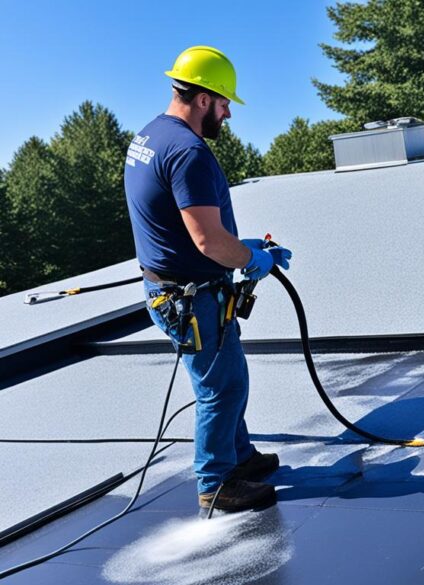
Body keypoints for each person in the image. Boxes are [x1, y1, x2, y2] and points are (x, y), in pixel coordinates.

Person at [124, 46, 292, 513]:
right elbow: (207, 241)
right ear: (201, 99)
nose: (229, 113)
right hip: (189, 296)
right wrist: (250, 259)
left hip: (179, 287)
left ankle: (237, 457)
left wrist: (246, 246)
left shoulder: (151, 136)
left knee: (228, 373)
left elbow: (182, 225)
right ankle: (217, 482)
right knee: (222, 386)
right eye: (223, 103)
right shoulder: (188, 151)